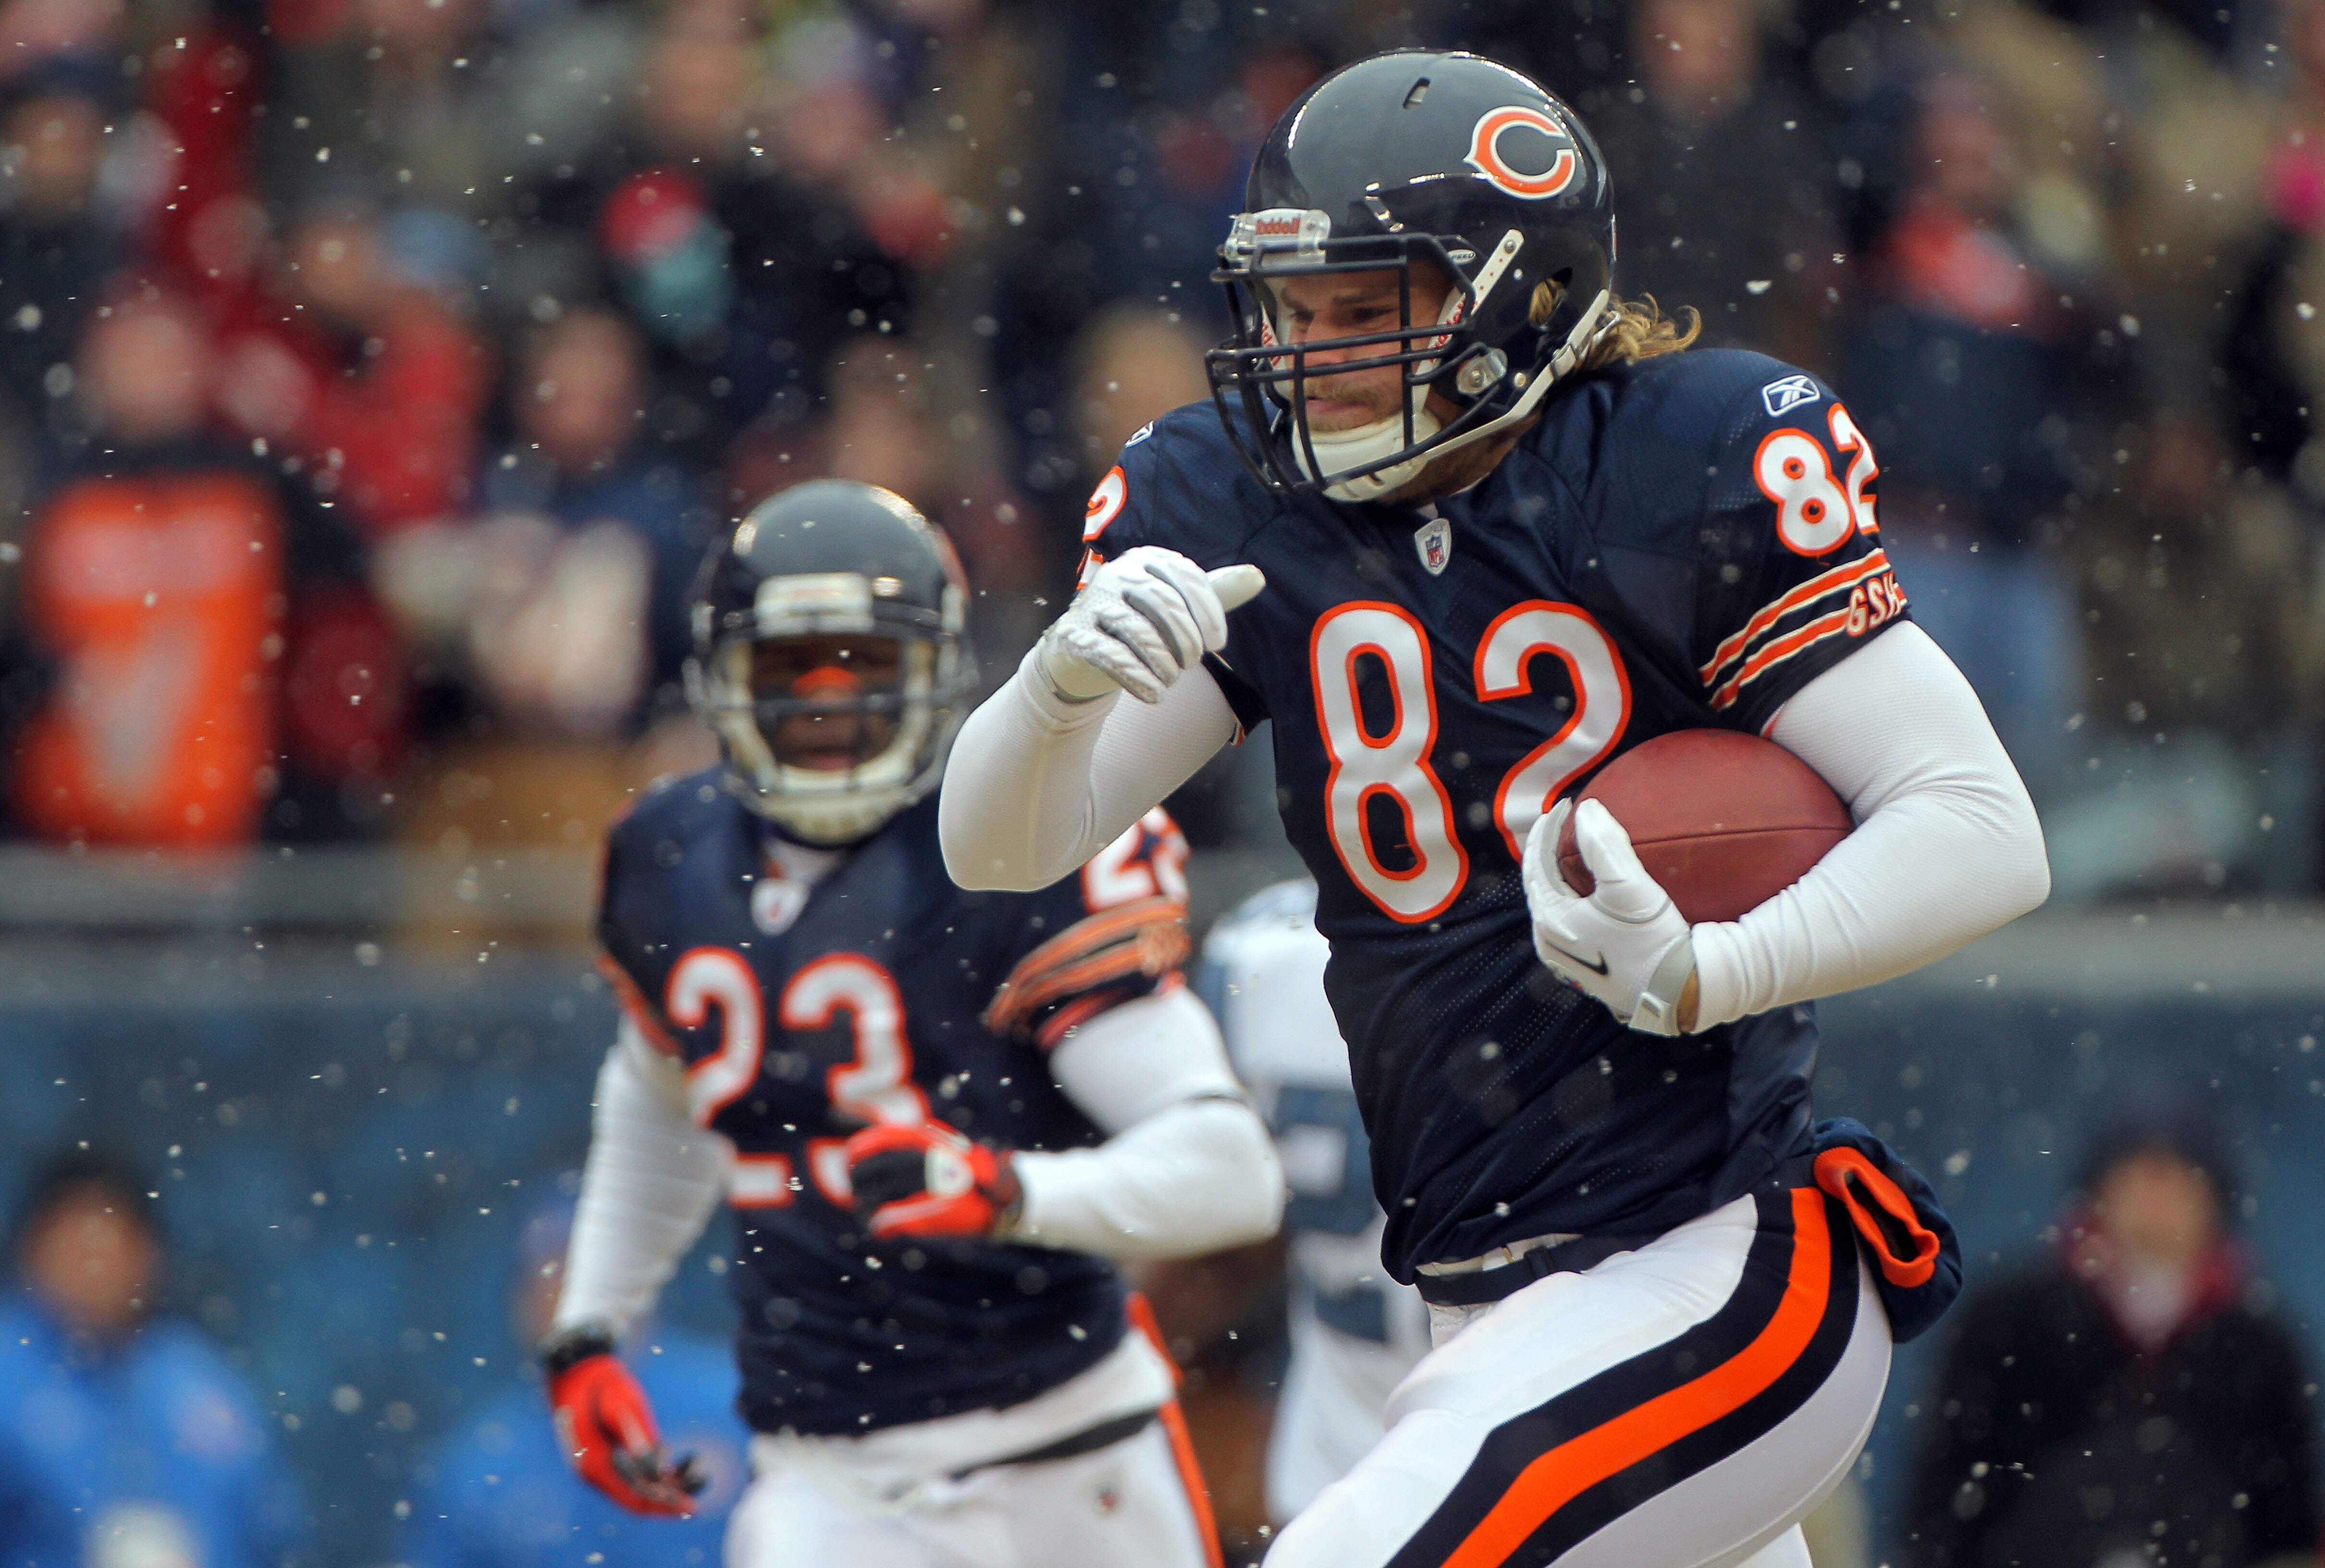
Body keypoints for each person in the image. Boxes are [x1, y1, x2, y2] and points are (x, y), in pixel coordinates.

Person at [939, 49, 2050, 1568]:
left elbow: (1980, 824)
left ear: (1519, 298)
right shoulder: (1237, 501)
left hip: (1713, 1251)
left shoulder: (1678, 463)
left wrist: (1711, 969)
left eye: (1363, 304)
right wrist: (1052, 689)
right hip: (1479, 1290)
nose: (1309, 350)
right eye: (1291, 305)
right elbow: (1001, 846)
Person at [543, 478, 1285, 1567]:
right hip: (824, 1470)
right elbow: (667, 1099)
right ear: (718, 675)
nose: (828, 703)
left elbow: (1229, 1175)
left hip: (1066, 1451)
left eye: (866, 665)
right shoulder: (667, 853)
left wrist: (1006, 1193)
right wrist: (589, 1328)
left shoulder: (1013, 857)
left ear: (938, 668)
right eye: (790, 669)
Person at [1901, 1100, 2320, 1568]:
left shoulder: (2259, 1347)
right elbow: (1943, 1508)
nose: (2157, 1203)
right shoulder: (2007, 1324)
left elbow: (2289, 1535)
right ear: (2098, 1193)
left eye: (2180, 1179)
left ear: (2215, 1201)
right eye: (2138, 1178)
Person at [1196, 878, 1430, 1525]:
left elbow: (1220, 1243)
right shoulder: (1616, 927)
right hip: (1596, 1470)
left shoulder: (1266, 946)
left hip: (1342, 1491)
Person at [401, 1199, 748, 1568]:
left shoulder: (735, 1402)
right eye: (554, 1279)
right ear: (522, 1300)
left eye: (593, 1274)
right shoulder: (481, 1463)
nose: (574, 1298)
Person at [0, 1148, 303, 1566]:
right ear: (33, 1250)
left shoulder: (200, 1384)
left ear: (147, 1253)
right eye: (77, 1244)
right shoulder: (9, 1378)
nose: (96, 1266)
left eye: (112, 1242)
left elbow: (270, 1530)